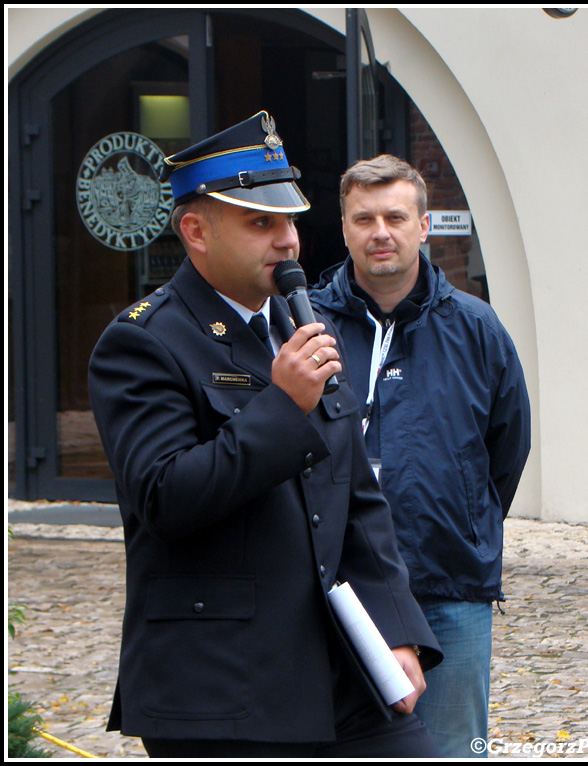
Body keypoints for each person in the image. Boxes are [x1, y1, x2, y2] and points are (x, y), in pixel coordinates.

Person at [88, 113, 443, 759]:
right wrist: (282, 405)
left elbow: (357, 498)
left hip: (345, 666)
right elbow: (166, 498)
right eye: (261, 223)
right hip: (224, 683)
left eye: (290, 222)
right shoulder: (143, 341)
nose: (287, 241)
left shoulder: (293, 321)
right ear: (195, 231)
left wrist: (397, 629)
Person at [309, 154, 531, 758]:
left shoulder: (478, 329)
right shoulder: (303, 323)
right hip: (336, 588)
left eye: (395, 216)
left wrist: (461, 514)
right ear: (346, 228)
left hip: (447, 581)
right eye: (364, 219)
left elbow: (506, 450)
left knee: (454, 748)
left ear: (424, 227)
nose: (381, 231)